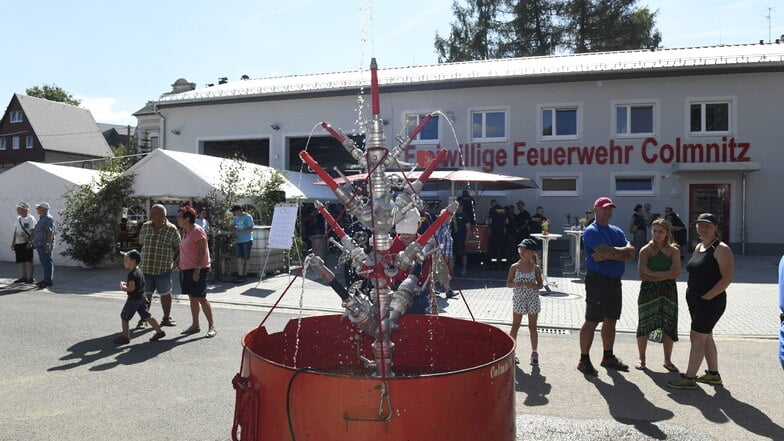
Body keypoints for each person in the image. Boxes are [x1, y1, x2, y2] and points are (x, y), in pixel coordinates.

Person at [668, 213, 734, 389]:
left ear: (715, 228)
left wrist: (708, 297)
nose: (703, 228)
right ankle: (713, 374)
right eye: (700, 224)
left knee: (697, 338)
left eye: (707, 225)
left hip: (710, 302)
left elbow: (727, 278)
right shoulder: (699, 247)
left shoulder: (721, 248)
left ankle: (689, 378)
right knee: (705, 336)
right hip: (696, 301)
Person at [577, 197, 636, 376]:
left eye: (610, 209)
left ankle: (607, 357)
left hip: (614, 280)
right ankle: (584, 359)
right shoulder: (591, 230)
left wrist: (612, 253)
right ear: (596, 209)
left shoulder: (616, 230)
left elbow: (631, 252)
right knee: (592, 320)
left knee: (611, 319)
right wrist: (619, 252)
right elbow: (605, 250)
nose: (607, 212)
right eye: (604, 209)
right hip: (597, 280)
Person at [636, 218, 682, 372]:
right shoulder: (645, 250)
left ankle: (668, 361)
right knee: (644, 324)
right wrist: (666, 274)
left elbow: (676, 273)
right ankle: (642, 360)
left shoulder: (674, 251)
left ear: (667, 233)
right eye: (654, 231)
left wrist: (654, 274)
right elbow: (642, 275)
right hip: (648, 291)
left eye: (660, 231)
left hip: (668, 292)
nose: (656, 234)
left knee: (668, 325)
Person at [176, 204, 217, 338]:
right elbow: (184, 249)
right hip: (186, 268)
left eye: (180, 216)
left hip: (198, 268)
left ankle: (212, 326)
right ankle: (195, 325)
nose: (177, 219)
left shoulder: (197, 231)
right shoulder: (185, 231)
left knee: (200, 297)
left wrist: (198, 269)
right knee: (192, 297)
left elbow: (202, 251)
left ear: (188, 218)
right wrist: (176, 261)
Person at [138, 204, 181, 329]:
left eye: (155, 214)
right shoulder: (146, 226)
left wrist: (176, 261)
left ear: (163, 216)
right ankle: (144, 319)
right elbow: (141, 242)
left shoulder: (171, 229)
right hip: (146, 268)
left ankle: (166, 318)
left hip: (163, 269)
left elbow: (179, 247)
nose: (152, 216)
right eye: (152, 214)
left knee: (165, 294)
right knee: (146, 295)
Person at [114, 249, 165, 345]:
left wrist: (123, 287)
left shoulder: (132, 274)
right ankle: (159, 331)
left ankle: (125, 337)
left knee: (124, 317)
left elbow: (131, 288)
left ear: (133, 261)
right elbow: (137, 285)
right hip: (142, 297)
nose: (124, 261)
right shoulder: (139, 271)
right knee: (147, 316)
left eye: (126, 259)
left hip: (134, 300)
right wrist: (128, 285)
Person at [506, 238, 544, 366]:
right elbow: (508, 283)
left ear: (532, 252)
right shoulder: (514, 267)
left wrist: (533, 286)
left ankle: (534, 353)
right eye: (520, 249)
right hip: (519, 299)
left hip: (532, 299)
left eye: (525, 249)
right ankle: (511, 353)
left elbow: (540, 285)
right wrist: (515, 284)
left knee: (532, 326)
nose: (522, 251)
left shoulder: (535, 268)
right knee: (515, 325)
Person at [390, 209, 432, 314]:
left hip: (419, 293)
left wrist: (433, 299)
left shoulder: (425, 244)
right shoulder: (390, 246)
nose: (406, 235)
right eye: (402, 231)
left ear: (419, 224)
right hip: (395, 293)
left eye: (409, 231)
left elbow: (430, 272)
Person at [11, 202, 35, 284]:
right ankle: (23, 276)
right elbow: (16, 231)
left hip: (26, 242)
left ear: (25, 209)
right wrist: (13, 242)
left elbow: (33, 231)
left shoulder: (31, 218)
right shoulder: (18, 218)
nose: (17, 210)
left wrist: (30, 242)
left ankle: (30, 278)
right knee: (20, 260)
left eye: (19, 208)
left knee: (29, 260)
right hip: (18, 243)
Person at [32, 202, 55, 289]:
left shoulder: (48, 218)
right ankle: (46, 279)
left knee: (47, 262)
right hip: (40, 244)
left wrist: (48, 244)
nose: (37, 209)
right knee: (44, 262)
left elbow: (50, 231)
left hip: (44, 244)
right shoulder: (42, 218)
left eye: (39, 207)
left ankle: (48, 281)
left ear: (44, 209)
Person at [230, 205, 254, 281]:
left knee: (246, 258)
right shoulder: (236, 218)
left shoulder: (248, 217)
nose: (233, 213)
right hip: (238, 240)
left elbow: (250, 229)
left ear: (238, 211)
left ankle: (245, 275)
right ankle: (240, 275)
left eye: (234, 211)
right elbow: (232, 227)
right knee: (239, 258)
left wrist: (240, 232)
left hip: (247, 240)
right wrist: (232, 227)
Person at [435, 213, 456, 298]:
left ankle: (431, 289)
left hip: (445, 254)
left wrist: (449, 257)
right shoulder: (440, 225)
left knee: (436, 273)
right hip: (440, 254)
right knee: (443, 271)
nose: (451, 217)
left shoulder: (447, 226)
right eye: (449, 215)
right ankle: (448, 291)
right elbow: (435, 237)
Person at [487, 199, 508, 269]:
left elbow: (490, 221)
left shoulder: (492, 210)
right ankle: (504, 264)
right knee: (503, 248)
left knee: (494, 249)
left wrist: (489, 230)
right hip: (502, 231)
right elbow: (507, 221)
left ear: (492, 204)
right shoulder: (503, 210)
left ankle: (494, 264)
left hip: (494, 231)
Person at [451, 203, 470, 276]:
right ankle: (451, 271)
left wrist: (467, 239)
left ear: (461, 206)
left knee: (463, 254)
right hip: (453, 237)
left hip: (461, 238)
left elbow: (468, 229)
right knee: (453, 255)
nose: (456, 207)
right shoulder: (453, 215)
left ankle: (464, 269)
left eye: (458, 206)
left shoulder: (465, 216)